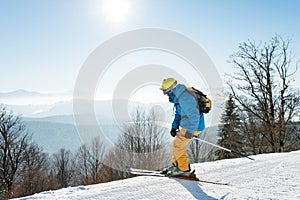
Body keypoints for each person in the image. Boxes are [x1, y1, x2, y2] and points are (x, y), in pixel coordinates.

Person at [161, 78, 205, 176]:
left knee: (178, 145)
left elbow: (194, 115)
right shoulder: (178, 97)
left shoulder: (185, 98)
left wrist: (190, 131)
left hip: (194, 126)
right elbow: (178, 114)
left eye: (167, 92)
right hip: (187, 125)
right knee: (176, 144)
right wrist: (174, 127)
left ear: (172, 89)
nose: (166, 95)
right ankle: (177, 165)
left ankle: (184, 169)